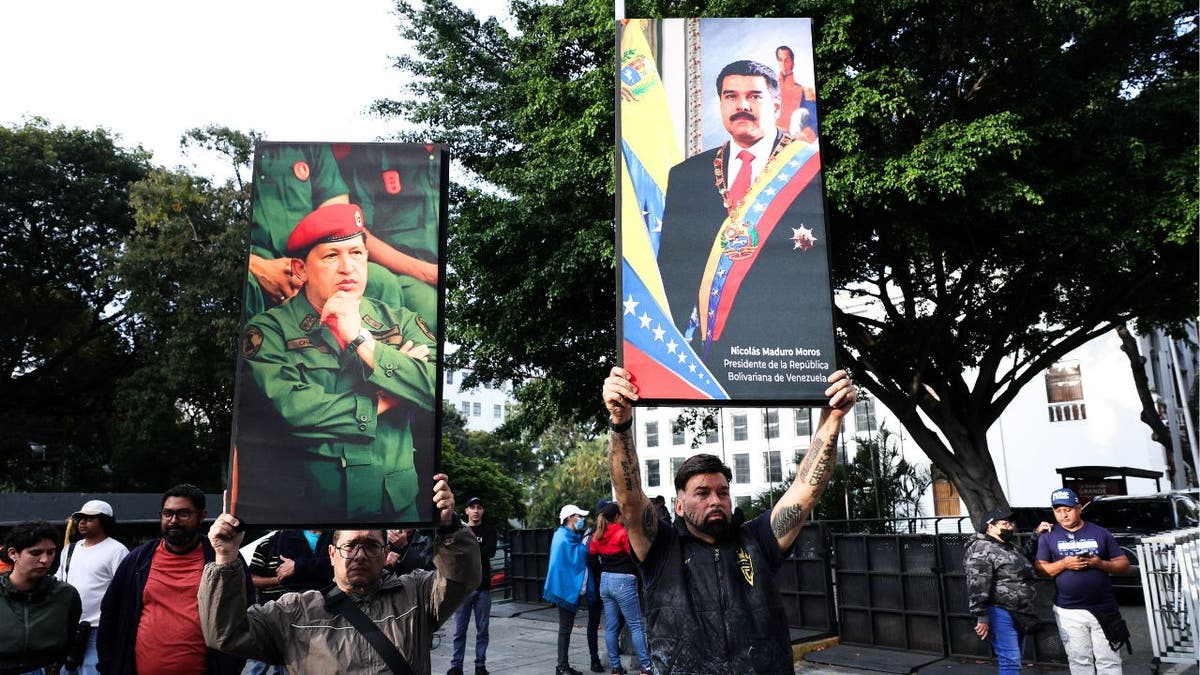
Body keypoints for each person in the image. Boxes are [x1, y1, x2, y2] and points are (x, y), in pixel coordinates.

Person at [603, 366, 855, 673]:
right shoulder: (660, 548)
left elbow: (806, 490)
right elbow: (629, 500)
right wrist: (620, 422)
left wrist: (833, 418)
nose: (715, 500)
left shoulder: (758, 540)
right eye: (702, 493)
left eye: (723, 492)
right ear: (678, 506)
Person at [234, 202, 438, 523]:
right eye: (332, 256)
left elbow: (435, 387)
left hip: (396, 512)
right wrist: (390, 395)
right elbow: (294, 412)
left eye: (356, 253)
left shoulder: (401, 321)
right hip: (315, 514)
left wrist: (361, 339)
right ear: (300, 270)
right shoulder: (268, 331)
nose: (348, 267)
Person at [656, 60, 834, 396]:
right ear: (720, 104)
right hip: (709, 356)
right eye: (731, 96)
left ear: (777, 105)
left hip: (788, 358)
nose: (742, 106)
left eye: (754, 96)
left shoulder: (809, 170)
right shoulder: (686, 176)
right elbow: (673, 276)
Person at [198, 473, 481, 675]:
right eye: (350, 546)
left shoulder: (416, 595)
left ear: (385, 554)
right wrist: (224, 559)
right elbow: (226, 634)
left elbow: (462, 578)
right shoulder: (294, 613)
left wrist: (449, 528)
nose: (359, 555)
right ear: (332, 554)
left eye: (370, 545)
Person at [96, 484, 250, 675]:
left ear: (202, 515)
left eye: (183, 513)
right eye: (167, 513)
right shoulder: (137, 560)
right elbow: (111, 613)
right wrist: (109, 666)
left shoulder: (223, 556)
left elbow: (243, 613)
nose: (173, 521)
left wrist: (231, 666)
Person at [1034, 488, 1130, 675]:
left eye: (1068, 509)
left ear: (1079, 508)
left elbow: (1124, 565)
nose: (1063, 514)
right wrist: (1064, 563)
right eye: (1058, 510)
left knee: (1109, 661)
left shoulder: (1100, 532)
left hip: (1104, 608)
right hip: (1069, 611)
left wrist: (1100, 563)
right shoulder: (1048, 536)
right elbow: (1041, 569)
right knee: (1079, 661)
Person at [245, 529, 334, 675]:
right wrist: (317, 568)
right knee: (267, 661)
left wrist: (298, 567)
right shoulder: (281, 538)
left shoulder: (334, 533)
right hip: (281, 607)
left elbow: (334, 567)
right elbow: (255, 578)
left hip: (326, 603)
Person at [964, 508, 1040, 674]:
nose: (1010, 526)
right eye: (1005, 523)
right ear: (990, 526)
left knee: (1015, 658)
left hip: (1020, 611)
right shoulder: (981, 548)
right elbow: (977, 584)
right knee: (1010, 660)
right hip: (999, 611)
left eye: (1011, 523)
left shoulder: (1007, 546)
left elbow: (1024, 557)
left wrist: (1036, 535)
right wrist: (981, 617)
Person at [57, 499, 128, 675]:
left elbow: (124, 590)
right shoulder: (70, 549)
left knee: (91, 670)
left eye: (89, 518)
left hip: (98, 628)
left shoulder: (116, 550)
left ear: (103, 521)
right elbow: (59, 580)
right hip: (69, 626)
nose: (82, 522)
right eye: (80, 518)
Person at [1, 520, 82, 673]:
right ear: (13, 554)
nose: (45, 560)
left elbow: (69, 639)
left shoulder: (65, 595)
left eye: (50, 552)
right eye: (35, 553)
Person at [589, 501, 651, 675]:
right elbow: (634, 556)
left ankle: (616, 668)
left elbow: (591, 555)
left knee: (611, 627)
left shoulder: (597, 534)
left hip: (605, 581)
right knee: (636, 625)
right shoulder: (622, 533)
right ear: (617, 516)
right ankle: (646, 667)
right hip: (623, 581)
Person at [448, 496, 498, 675]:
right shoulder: (461, 530)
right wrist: (475, 552)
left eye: (479, 507)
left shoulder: (489, 530)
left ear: (482, 511)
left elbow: (490, 552)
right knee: (459, 631)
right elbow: (454, 554)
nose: (476, 510)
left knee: (482, 630)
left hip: (483, 588)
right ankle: (456, 666)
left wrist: (468, 551)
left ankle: (480, 666)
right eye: (472, 507)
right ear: (466, 511)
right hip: (463, 589)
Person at [544, 504, 592, 675]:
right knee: (565, 629)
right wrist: (586, 543)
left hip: (562, 588)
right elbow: (581, 554)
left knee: (565, 628)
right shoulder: (566, 538)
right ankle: (562, 666)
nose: (582, 519)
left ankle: (563, 665)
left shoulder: (563, 535)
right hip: (564, 590)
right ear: (570, 517)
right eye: (579, 516)